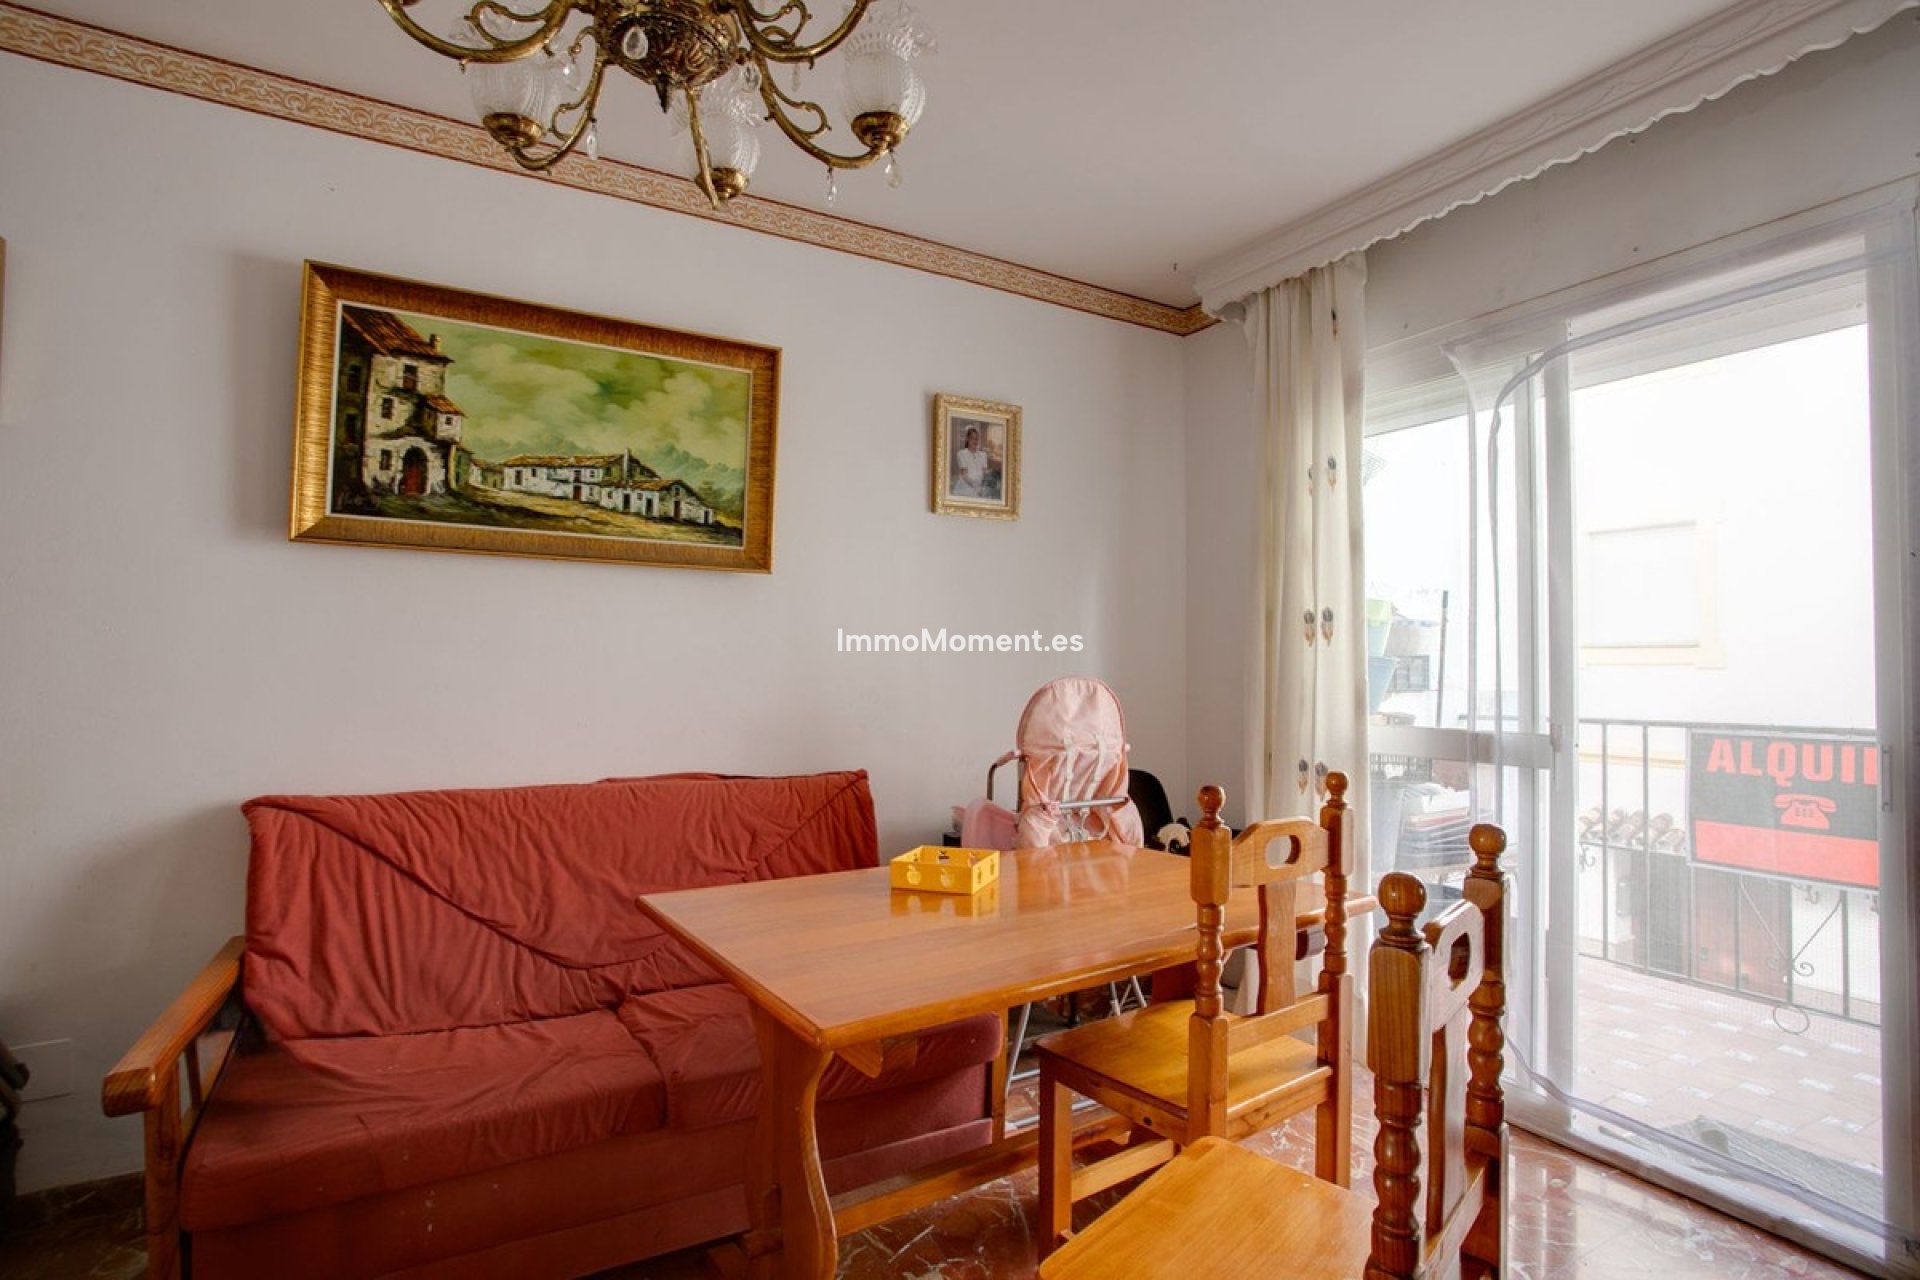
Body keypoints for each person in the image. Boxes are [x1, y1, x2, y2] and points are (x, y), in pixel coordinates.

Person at [952, 425, 990, 498]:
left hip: (980, 486)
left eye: (977, 439)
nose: (975, 441)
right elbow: (964, 475)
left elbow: (985, 473)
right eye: (972, 438)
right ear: (967, 439)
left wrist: (983, 485)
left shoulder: (983, 455)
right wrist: (975, 486)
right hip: (966, 485)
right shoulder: (961, 454)